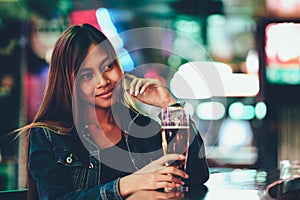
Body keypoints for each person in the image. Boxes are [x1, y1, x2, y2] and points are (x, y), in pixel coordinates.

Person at [16, 23, 209, 199]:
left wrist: (170, 105)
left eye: (108, 66)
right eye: (86, 75)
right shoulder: (48, 136)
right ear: (69, 83)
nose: (103, 82)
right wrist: (127, 185)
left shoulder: (141, 126)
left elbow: (194, 175)